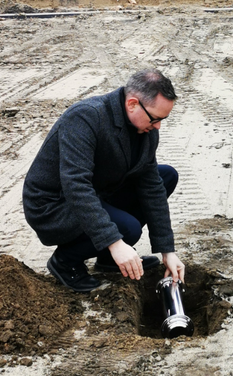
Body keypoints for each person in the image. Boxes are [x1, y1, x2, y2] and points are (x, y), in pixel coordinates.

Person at [23, 68, 185, 292]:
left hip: (99, 191)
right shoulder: (86, 117)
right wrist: (116, 243)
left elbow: (151, 185)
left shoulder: (146, 129)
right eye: (156, 119)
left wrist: (168, 251)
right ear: (132, 104)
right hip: (55, 204)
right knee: (128, 229)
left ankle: (107, 259)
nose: (158, 126)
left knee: (165, 176)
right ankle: (65, 261)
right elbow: (76, 186)